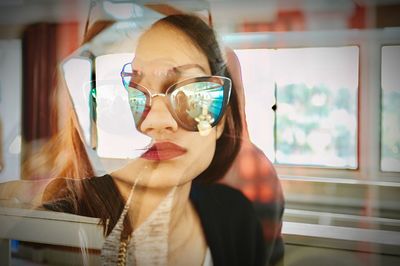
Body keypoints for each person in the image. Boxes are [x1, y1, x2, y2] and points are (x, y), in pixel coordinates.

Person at [1, 14, 283, 265]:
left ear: (222, 121)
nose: (156, 121)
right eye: (134, 98)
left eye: (193, 95)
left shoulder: (237, 215)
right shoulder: (55, 228)